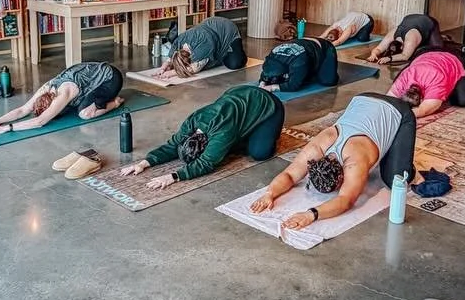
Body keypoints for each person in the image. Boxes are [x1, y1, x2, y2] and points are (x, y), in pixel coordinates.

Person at [249, 91, 418, 232]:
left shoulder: (355, 161)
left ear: (342, 176)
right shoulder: (316, 148)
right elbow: (289, 174)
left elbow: (346, 200)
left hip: (398, 111)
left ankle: (402, 110)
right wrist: (269, 194)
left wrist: (311, 214)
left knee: (396, 179)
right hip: (364, 99)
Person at [121, 85, 284, 189]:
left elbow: (206, 163)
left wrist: (174, 176)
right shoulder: (191, 123)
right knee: (227, 147)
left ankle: (263, 132)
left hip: (269, 106)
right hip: (237, 93)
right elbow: (172, 145)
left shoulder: (222, 134)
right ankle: (243, 131)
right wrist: (144, 163)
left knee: (260, 153)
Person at [0, 62, 124, 136]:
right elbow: (23, 109)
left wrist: (6, 128)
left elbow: (40, 121)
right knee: (68, 109)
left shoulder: (64, 92)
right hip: (91, 76)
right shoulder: (46, 88)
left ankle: (115, 103)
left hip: (110, 78)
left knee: (84, 114)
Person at [388, 46, 465, 119]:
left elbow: (423, 110)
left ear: (423, 99)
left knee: (464, 101)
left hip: (456, 57)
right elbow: (387, 101)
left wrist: (400, 114)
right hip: (425, 53)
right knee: (399, 77)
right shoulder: (403, 78)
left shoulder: (436, 82)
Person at [154, 15, 247, 79]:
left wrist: (171, 73)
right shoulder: (179, 41)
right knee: (212, 59)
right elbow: (170, 58)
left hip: (227, 30)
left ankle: (235, 51)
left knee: (234, 63)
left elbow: (193, 68)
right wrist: (162, 68)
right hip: (210, 26)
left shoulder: (202, 49)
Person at [259, 36, 339, 93]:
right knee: (281, 78)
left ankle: (318, 68)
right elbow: (265, 74)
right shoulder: (272, 55)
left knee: (328, 81)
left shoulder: (298, 62)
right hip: (302, 42)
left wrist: (272, 87)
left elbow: (293, 85)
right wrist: (262, 83)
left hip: (325, 48)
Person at [366, 12, 444, 65]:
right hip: (411, 20)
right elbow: (378, 49)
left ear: (402, 46)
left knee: (438, 50)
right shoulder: (391, 35)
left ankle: (441, 37)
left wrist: (389, 58)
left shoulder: (410, 40)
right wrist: (373, 55)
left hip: (428, 21)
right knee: (416, 47)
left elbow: (405, 56)